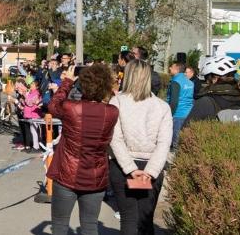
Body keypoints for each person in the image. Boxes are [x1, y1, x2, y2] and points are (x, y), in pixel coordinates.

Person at [46, 65, 118, 235]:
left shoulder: (71, 108)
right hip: (95, 176)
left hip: (67, 174)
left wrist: (67, 82)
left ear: (83, 85)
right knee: (90, 225)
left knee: (60, 225)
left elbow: (53, 105)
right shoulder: (112, 112)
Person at [108, 60, 172, 235]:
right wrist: (151, 171)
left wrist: (130, 168)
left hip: (122, 166)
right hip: (152, 167)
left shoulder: (117, 101)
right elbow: (164, 143)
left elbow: (115, 139)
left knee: (128, 219)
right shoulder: (162, 106)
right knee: (145, 220)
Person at [185, 55, 240, 124]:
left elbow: (184, 130)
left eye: (207, 78)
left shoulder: (205, 102)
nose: (207, 82)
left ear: (215, 79)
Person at [165, 61, 193, 148]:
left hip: (177, 113)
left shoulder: (175, 82)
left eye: (171, 67)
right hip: (188, 112)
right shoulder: (190, 82)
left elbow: (174, 101)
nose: (169, 68)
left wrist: (169, 115)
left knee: (175, 142)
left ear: (177, 69)